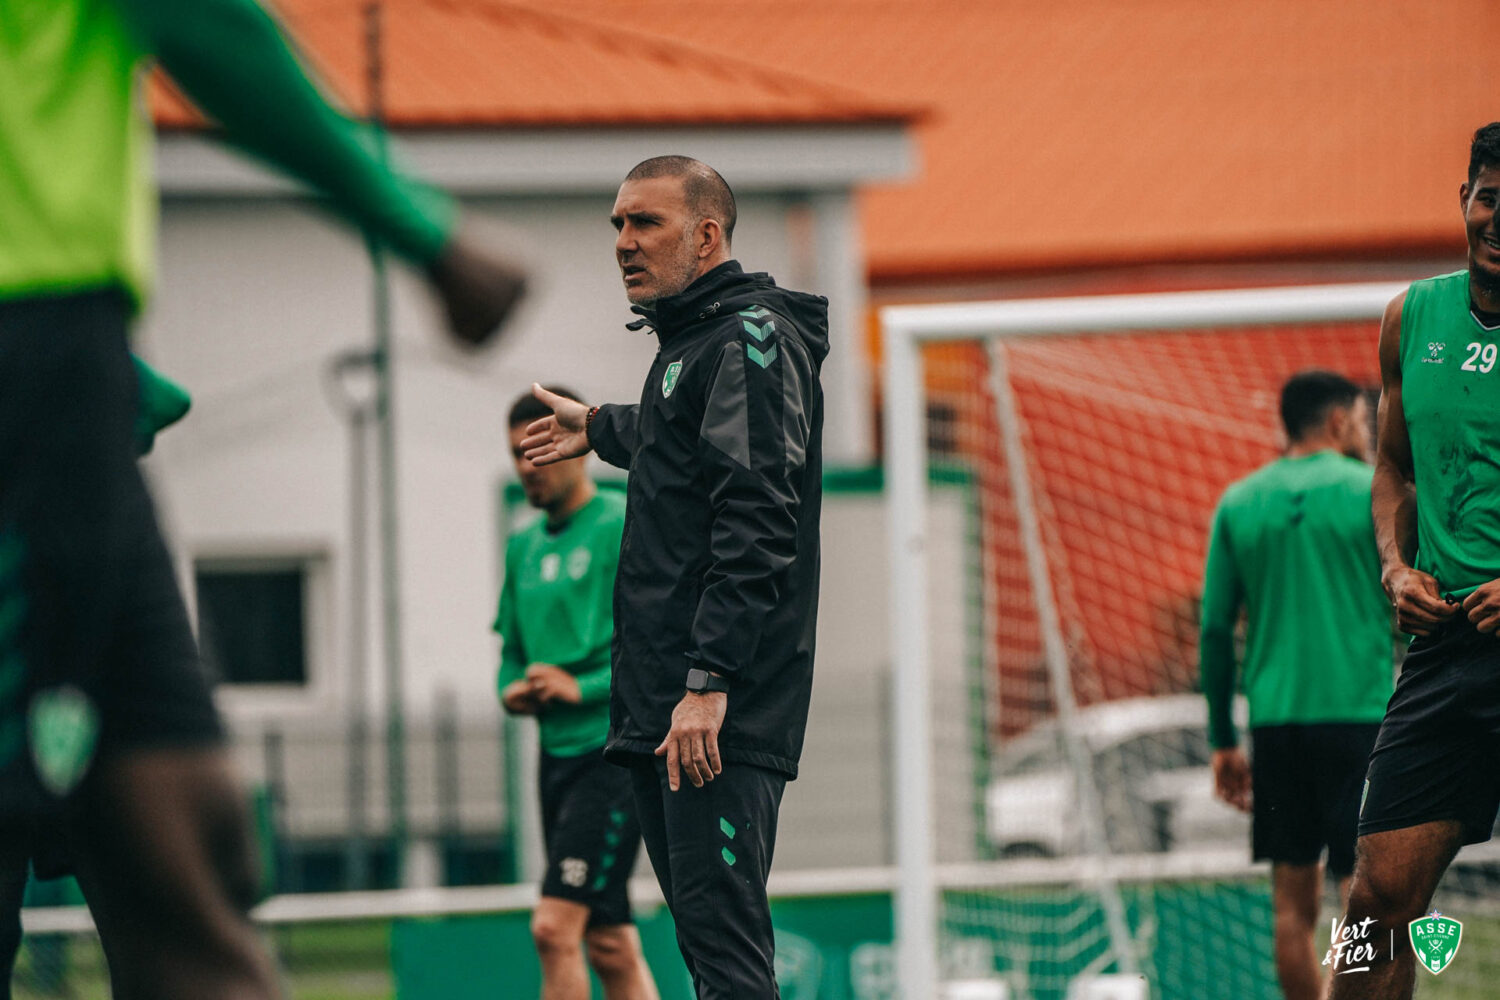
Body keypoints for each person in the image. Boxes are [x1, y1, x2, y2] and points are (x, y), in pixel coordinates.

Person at [0, 1, 527, 997]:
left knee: (197, 837)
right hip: (35, 360)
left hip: (70, 389)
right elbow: (203, 23)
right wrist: (421, 232)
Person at [520, 156, 828, 999]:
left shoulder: (747, 340)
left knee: (726, 958)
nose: (623, 242)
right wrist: (604, 427)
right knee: (706, 951)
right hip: (668, 709)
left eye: (644, 223)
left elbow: (758, 514)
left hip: (712, 711)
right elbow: (682, 440)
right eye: (616, 224)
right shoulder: (691, 345)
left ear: (706, 234)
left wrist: (709, 682)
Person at [1327, 122, 1500, 999]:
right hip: (1445, 651)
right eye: (1489, 196)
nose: (1498, 219)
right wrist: (1397, 568)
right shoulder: (1411, 317)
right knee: (1371, 905)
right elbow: (1392, 468)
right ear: (1464, 200)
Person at [1199, 370, 1394, 1000]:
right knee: (1359, 896)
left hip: (1276, 724)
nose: (1367, 432)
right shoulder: (1373, 490)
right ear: (1339, 421)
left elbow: (1213, 631)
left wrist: (1224, 741)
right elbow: (1415, 604)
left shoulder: (1238, 500)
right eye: (1363, 420)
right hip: (1360, 718)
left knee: (1291, 905)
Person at [496, 388, 659, 1000]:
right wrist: (511, 691)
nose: (525, 464)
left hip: (611, 758)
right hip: (555, 760)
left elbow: (655, 650)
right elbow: (510, 651)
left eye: (537, 446)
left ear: (577, 445)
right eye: (515, 452)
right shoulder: (521, 546)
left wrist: (579, 686)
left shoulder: (622, 520)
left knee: (553, 928)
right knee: (609, 943)